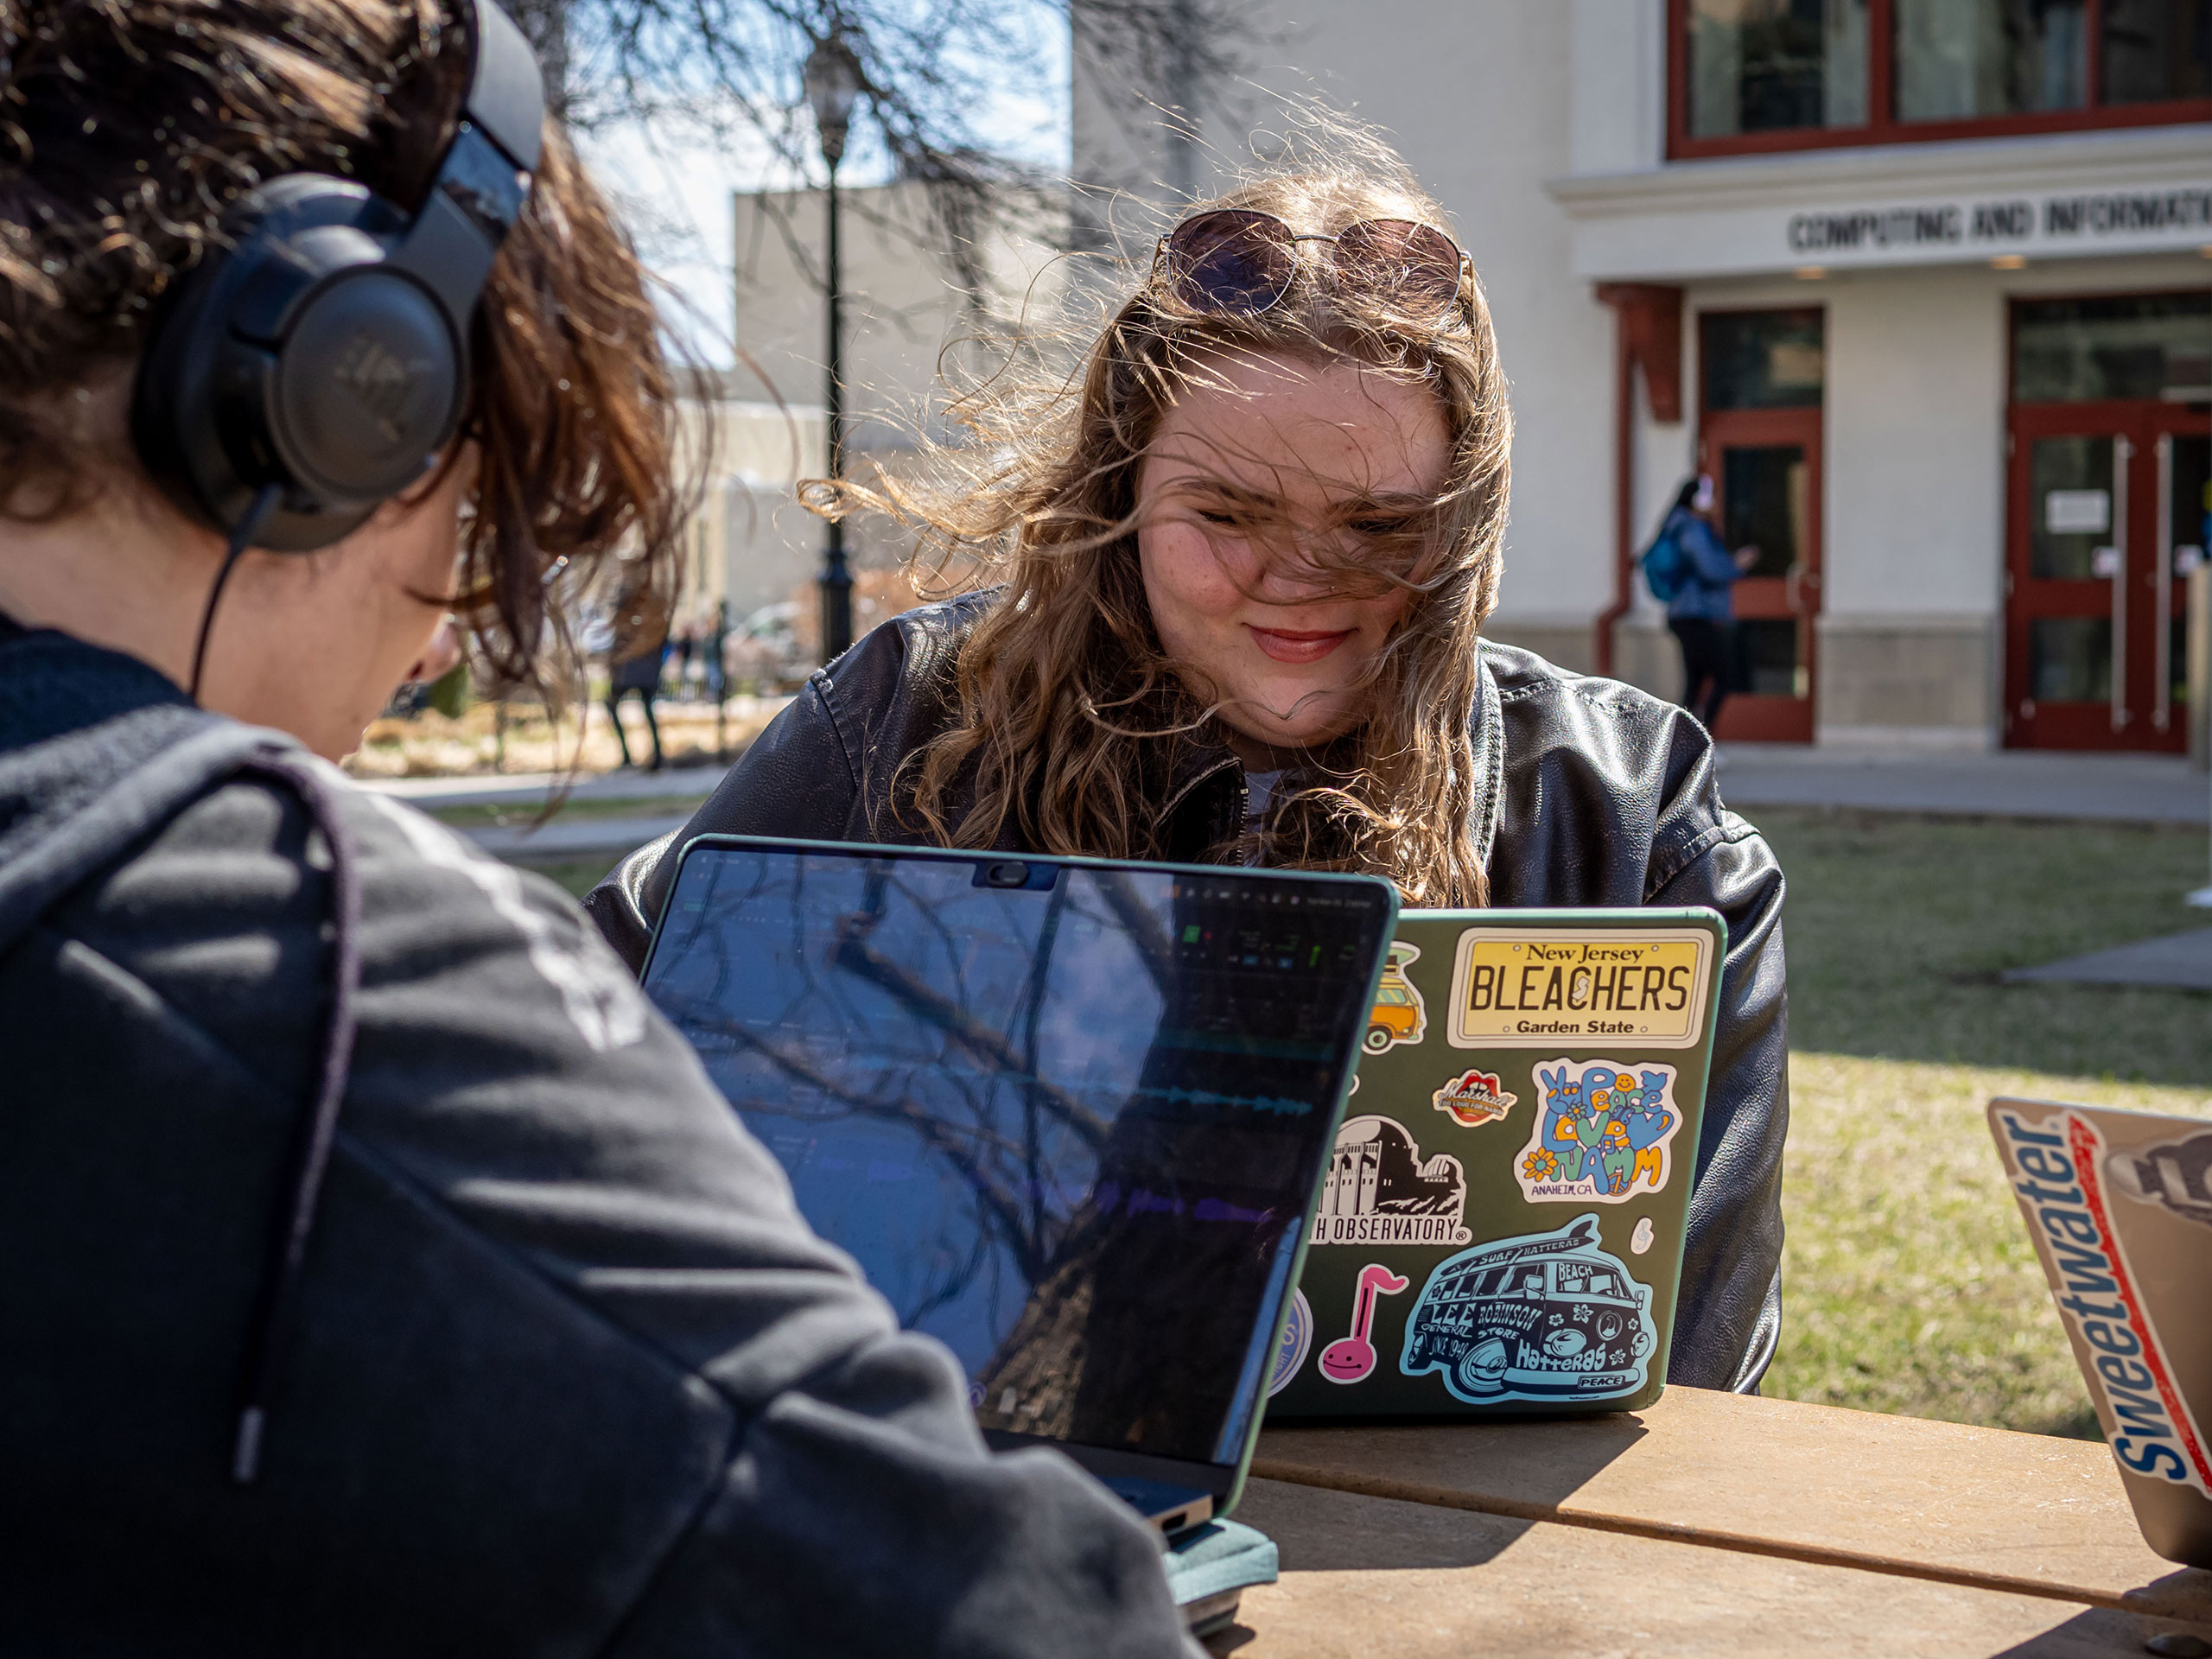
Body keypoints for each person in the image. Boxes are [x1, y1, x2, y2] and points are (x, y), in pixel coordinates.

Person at [0, 3, 1193, 1651]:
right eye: (479, 499)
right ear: (345, 394)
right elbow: (1009, 1624)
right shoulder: (302, 973)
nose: (432, 647)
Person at [588, 146, 1793, 1395]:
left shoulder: (1636, 819)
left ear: (1465, 524)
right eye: (1226, 515)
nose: (1299, 580)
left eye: (1380, 528)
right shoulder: (903, 724)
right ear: (1120, 490)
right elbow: (580, 1063)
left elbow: (1694, 1386)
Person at [1656, 474, 1760, 732]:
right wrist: (1737, 564)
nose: (1715, 503)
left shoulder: (1680, 525)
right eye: (1710, 497)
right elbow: (1710, 569)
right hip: (1692, 614)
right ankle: (1699, 740)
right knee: (1722, 675)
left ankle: (1684, 742)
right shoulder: (1692, 528)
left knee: (1696, 680)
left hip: (1687, 613)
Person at [605, 558, 671, 768]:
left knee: (641, 707)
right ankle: (640, 756)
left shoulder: (641, 600)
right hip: (636, 665)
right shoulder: (629, 598)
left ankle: (652, 756)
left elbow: (655, 633)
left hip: (636, 665)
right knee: (638, 707)